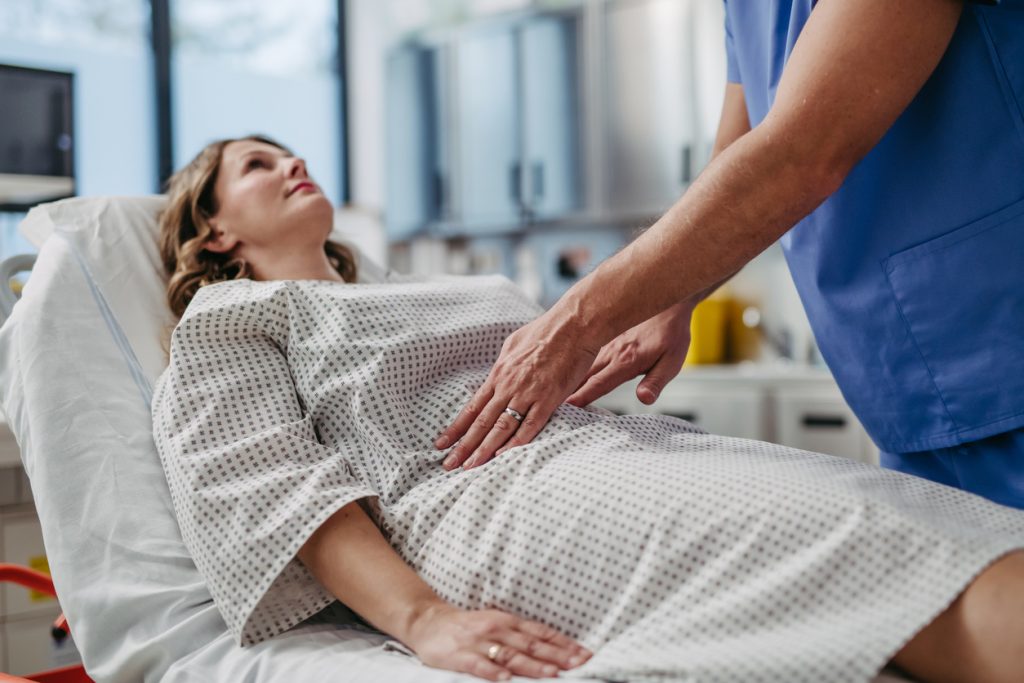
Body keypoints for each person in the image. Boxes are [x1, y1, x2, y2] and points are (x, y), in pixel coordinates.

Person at [152, 134, 1024, 683]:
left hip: (616, 451)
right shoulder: (233, 319)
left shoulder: (426, 292)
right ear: (215, 232)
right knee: (861, 536)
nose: (291, 163)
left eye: (287, 151)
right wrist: (424, 621)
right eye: (257, 166)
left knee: (895, 511)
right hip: (484, 499)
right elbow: (271, 487)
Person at [436, 0, 1024, 510]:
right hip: (908, 385)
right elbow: (737, 153)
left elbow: (800, 152)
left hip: (997, 340)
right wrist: (670, 299)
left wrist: (576, 320)